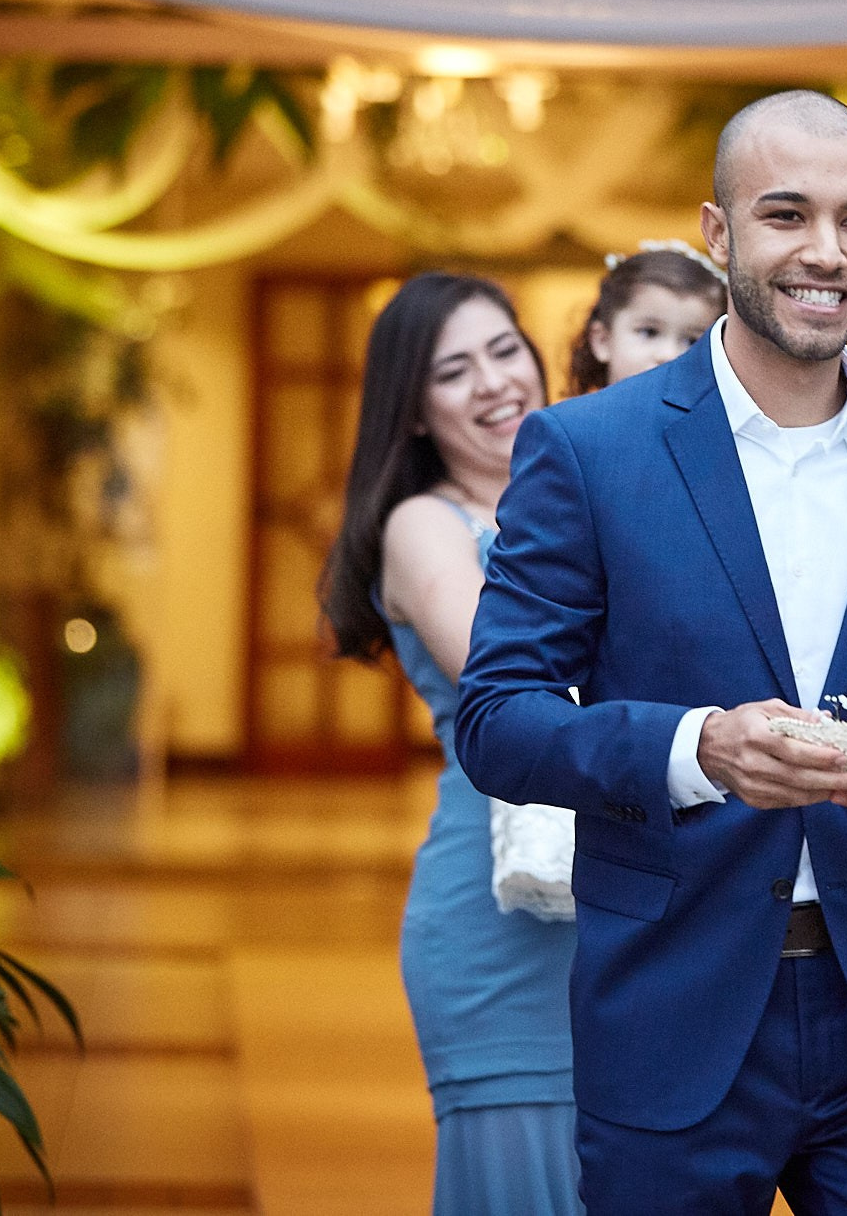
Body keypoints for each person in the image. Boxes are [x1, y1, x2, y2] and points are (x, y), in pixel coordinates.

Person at [457, 90, 847, 1214]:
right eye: (786, 215)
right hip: (671, 1011)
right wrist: (696, 749)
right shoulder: (588, 451)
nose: (826, 253)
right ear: (718, 236)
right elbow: (498, 718)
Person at [319, 273, 579, 1214]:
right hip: (499, 923)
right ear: (417, 412)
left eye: (505, 350)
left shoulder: (586, 494)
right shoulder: (424, 523)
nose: (494, 384)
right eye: (453, 372)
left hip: (626, 907)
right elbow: (504, 665)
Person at [567, 240, 727, 396]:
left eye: (692, 341)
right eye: (649, 332)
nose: (669, 355)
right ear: (602, 340)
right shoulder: (567, 421)